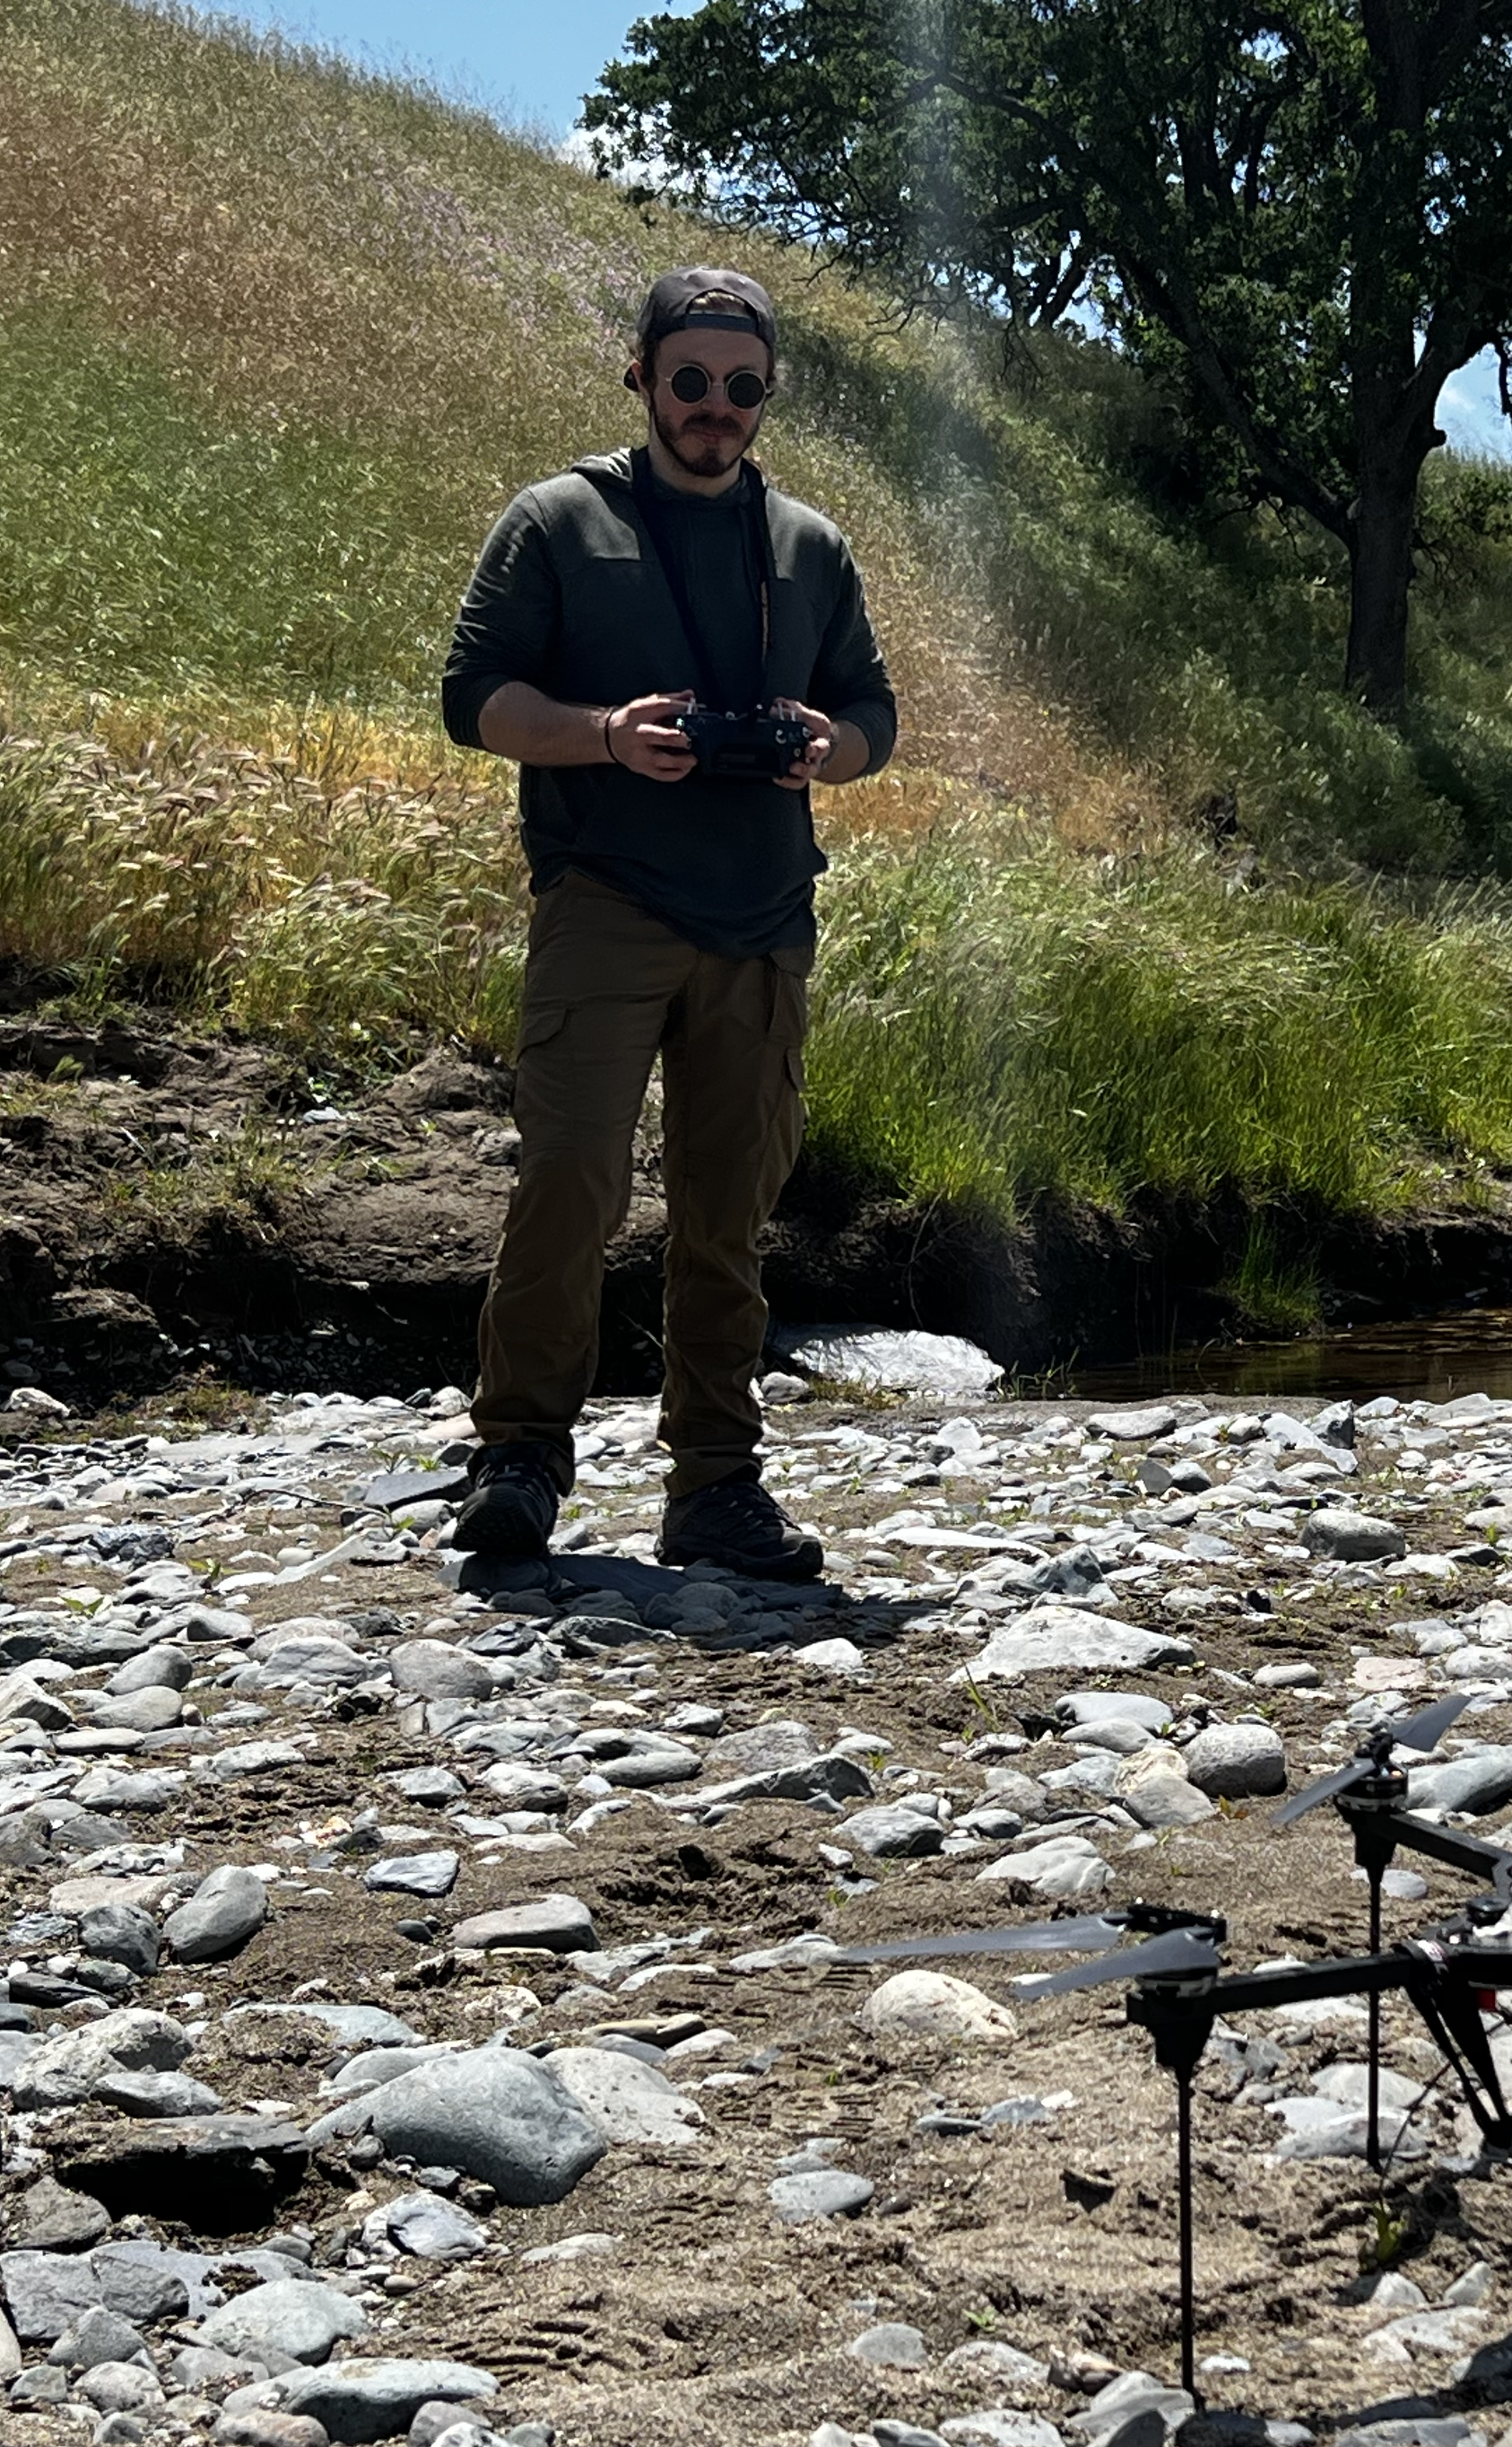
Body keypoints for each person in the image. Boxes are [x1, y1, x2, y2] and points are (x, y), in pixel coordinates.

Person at [437, 265, 895, 1576]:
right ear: (640, 376)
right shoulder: (560, 522)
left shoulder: (809, 546)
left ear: (767, 396)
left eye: (740, 388)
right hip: (606, 902)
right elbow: (473, 698)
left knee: (727, 1215)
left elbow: (876, 710)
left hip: (762, 921)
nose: (714, 408)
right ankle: (519, 1457)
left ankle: (716, 1485)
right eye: (689, 380)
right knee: (570, 1181)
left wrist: (831, 750)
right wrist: (603, 736)